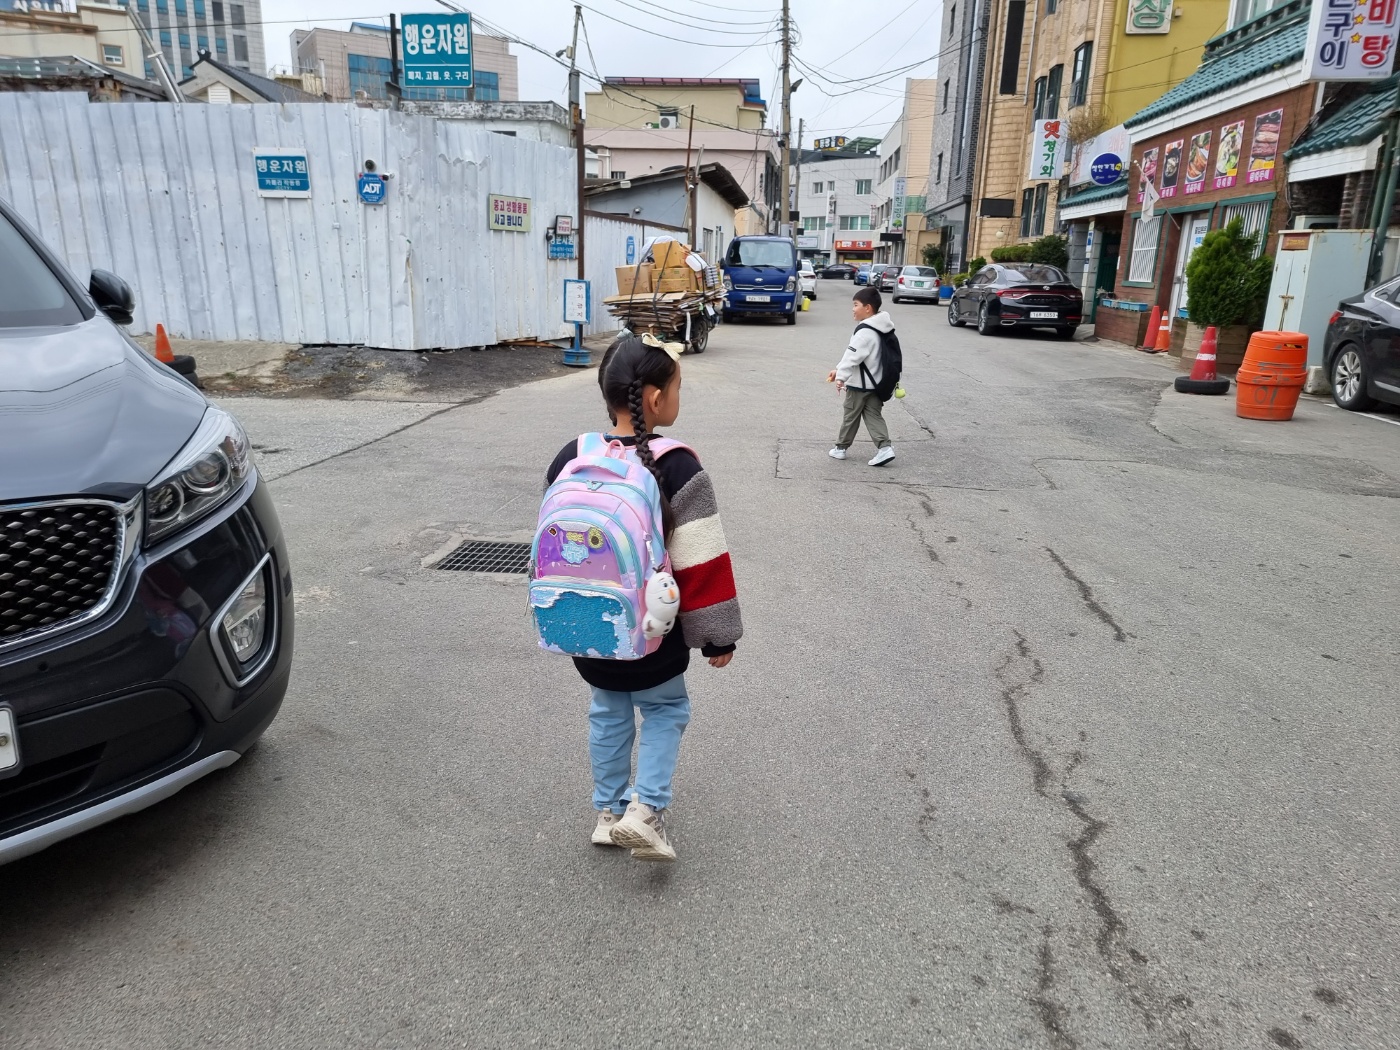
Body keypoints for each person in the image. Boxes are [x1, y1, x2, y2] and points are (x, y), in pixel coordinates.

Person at [544, 336, 743, 862]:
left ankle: (609, 814)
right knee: (664, 709)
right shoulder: (677, 466)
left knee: (607, 711)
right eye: (678, 387)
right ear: (655, 398)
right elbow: (701, 561)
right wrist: (717, 637)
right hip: (656, 632)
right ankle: (646, 810)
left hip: (587, 624)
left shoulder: (572, 456)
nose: (679, 397)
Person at [827, 286, 897, 467]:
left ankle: (840, 448)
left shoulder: (864, 332)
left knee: (850, 416)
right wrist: (838, 370)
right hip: (876, 383)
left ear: (867, 308)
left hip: (859, 385)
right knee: (874, 415)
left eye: (856, 304)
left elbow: (851, 357)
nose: (853, 309)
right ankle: (885, 448)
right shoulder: (882, 327)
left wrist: (841, 377)